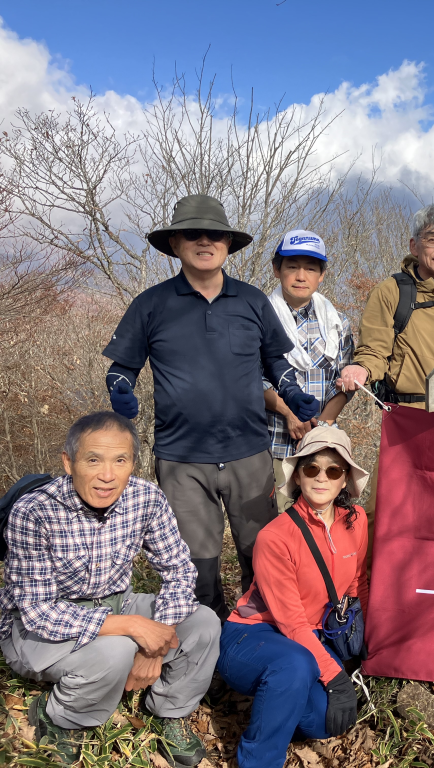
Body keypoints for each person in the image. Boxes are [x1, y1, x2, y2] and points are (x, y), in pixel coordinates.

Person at [102, 195, 319, 619]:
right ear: (176, 244)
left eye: (215, 234)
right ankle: (211, 657)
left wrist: (292, 392)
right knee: (194, 568)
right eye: (193, 234)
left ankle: (259, 641)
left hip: (249, 454)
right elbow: (122, 366)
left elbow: (276, 361)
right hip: (182, 460)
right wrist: (120, 390)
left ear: (227, 244)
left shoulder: (253, 301)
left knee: (262, 557)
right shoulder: (151, 304)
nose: (205, 241)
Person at [0, 412, 220, 768]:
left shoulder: (145, 497)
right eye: (93, 460)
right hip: (37, 629)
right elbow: (38, 611)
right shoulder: (34, 511)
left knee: (204, 622)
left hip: (117, 603)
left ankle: (169, 711)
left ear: (133, 462)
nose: (107, 476)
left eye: (120, 460)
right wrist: (134, 628)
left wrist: (155, 645)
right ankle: (62, 719)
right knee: (115, 650)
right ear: (69, 463)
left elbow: (179, 570)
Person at [336, 203, 434, 559]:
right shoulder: (392, 292)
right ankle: (366, 590)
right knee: (384, 510)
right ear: (413, 246)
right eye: (432, 239)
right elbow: (374, 349)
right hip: (408, 419)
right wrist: (362, 369)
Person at [217, 426, 369, 768]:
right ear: (298, 475)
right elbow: (292, 623)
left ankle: (279, 703)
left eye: (333, 470)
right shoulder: (276, 537)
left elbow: (357, 585)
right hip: (252, 637)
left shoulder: (356, 522)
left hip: (309, 637)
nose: (321, 477)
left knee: (323, 721)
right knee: (294, 666)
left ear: (344, 479)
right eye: (312, 468)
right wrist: (335, 676)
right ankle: (257, 761)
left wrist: (367, 640)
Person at [264, 229, 355, 513]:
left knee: (322, 521)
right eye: (292, 267)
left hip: (323, 442)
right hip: (271, 441)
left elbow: (344, 381)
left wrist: (322, 425)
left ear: (321, 274)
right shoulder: (259, 316)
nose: (301, 276)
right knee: (275, 523)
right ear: (277, 270)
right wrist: (290, 415)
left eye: (310, 268)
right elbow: (253, 378)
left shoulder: (338, 323)